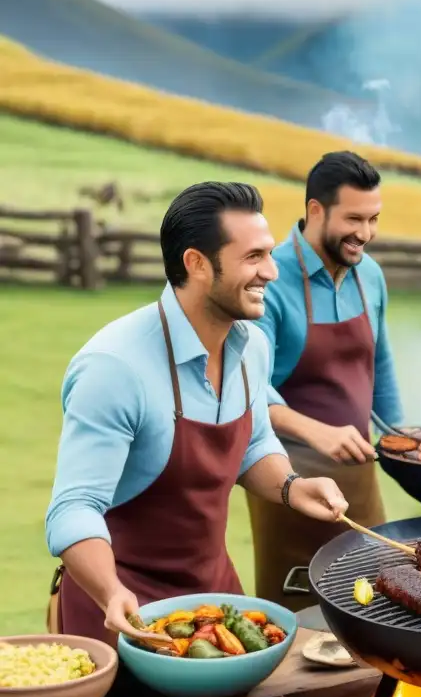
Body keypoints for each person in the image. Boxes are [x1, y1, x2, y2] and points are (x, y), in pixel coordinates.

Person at [44, 181, 350, 646]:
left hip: (214, 601)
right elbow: (72, 509)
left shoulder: (253, 347)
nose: (271, 271)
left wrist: (293, 486)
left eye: (269, 254)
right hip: (121, 610)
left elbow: (254, 443)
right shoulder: (114, 367)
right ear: (196, 264)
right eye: (253, 257)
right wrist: (111, 592)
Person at [251, 151, 402, 611]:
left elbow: (381, 367)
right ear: (316, 210)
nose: (366, 233)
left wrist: (405, 443)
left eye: (374, 219)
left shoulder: (370, 275)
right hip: (288, 484)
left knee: (378, 610)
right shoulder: (269, 280)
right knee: (299, 624)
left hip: (360, 482)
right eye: (354, 218)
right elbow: (248, 390)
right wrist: (317, 432)